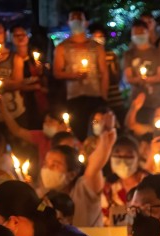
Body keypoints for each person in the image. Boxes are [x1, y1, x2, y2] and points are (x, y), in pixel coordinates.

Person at [40, 128, 116, 228]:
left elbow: (95, 166)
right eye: (46, 164)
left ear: (72, 174)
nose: (48, 169)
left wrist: (105, 134)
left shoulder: (84, 189)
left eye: (55, 165)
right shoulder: (43, 197)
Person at [53, 11, 108, 141]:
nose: (76, 20)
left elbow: (104, 72)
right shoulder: (62, 47)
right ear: (68, 22)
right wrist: (73, 75)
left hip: (94, 96)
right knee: (77, 132)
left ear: (86, 22)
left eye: (79, 18)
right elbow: (57, 72)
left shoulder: (96, 47)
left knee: (96, 133)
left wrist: (104, 97)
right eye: (73, 18)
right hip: (74, 97)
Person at [123, 19, 160, 113]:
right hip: (137, 99)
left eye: (141, 32)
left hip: (156, 99)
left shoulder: (158, 53)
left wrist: (144, 79)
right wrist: (138, 79)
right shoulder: (129, 54)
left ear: (147, 32)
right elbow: (128, 77)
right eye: (135, 33)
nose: (138, 36)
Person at [102, 135, 148, 224]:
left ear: (138, 158)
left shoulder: (149, 183)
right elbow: (104, 218)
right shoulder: (109, 188)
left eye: (129, 156)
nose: (123, 161)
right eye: (117, 155)